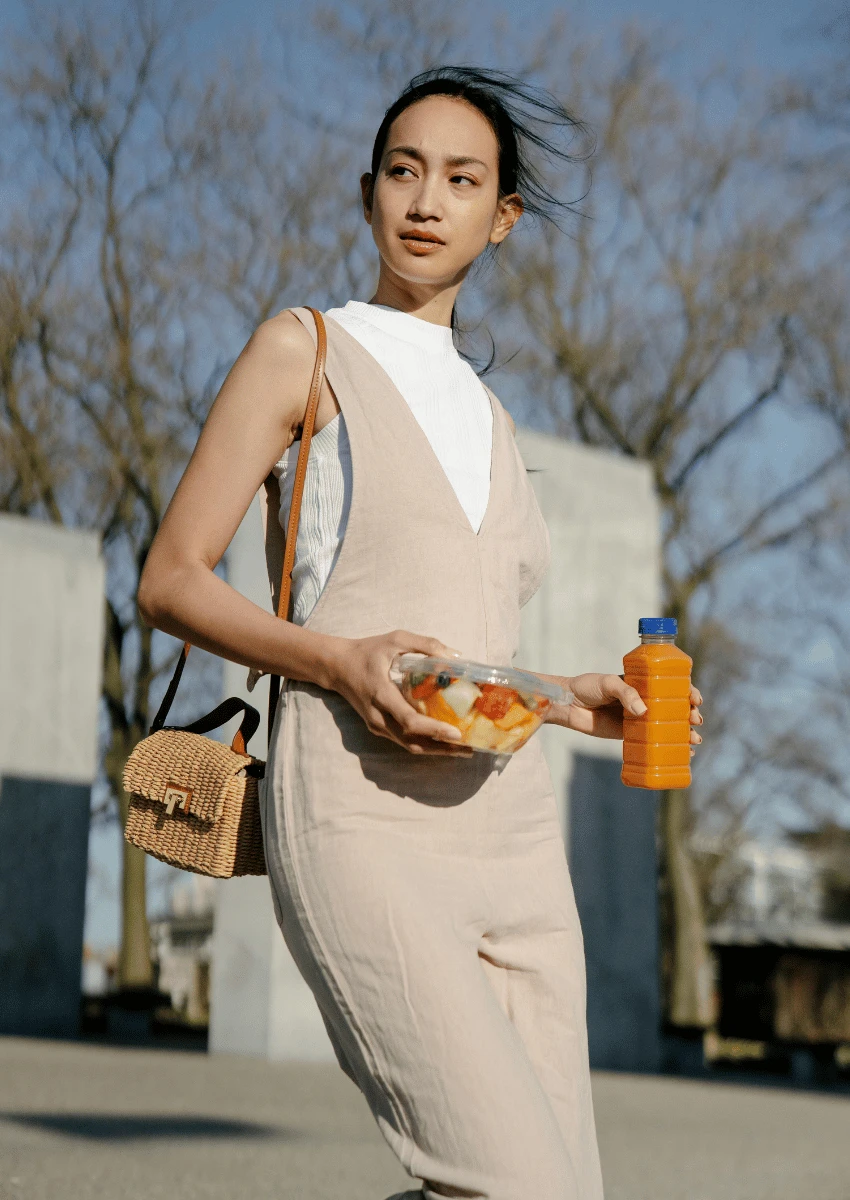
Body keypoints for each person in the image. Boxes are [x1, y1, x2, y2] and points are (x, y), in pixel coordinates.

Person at [139, 66, 702, 1200]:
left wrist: (563, 696)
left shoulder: (491, 416)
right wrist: (333, 661)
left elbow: (455, 651)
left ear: (503, 221)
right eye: (404, 172)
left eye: (461, 180)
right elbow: (169, 579)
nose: (427, 200)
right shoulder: (305, 348)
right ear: (368, 195)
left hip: (514, 838)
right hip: (358, 816)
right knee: (511, 1183)